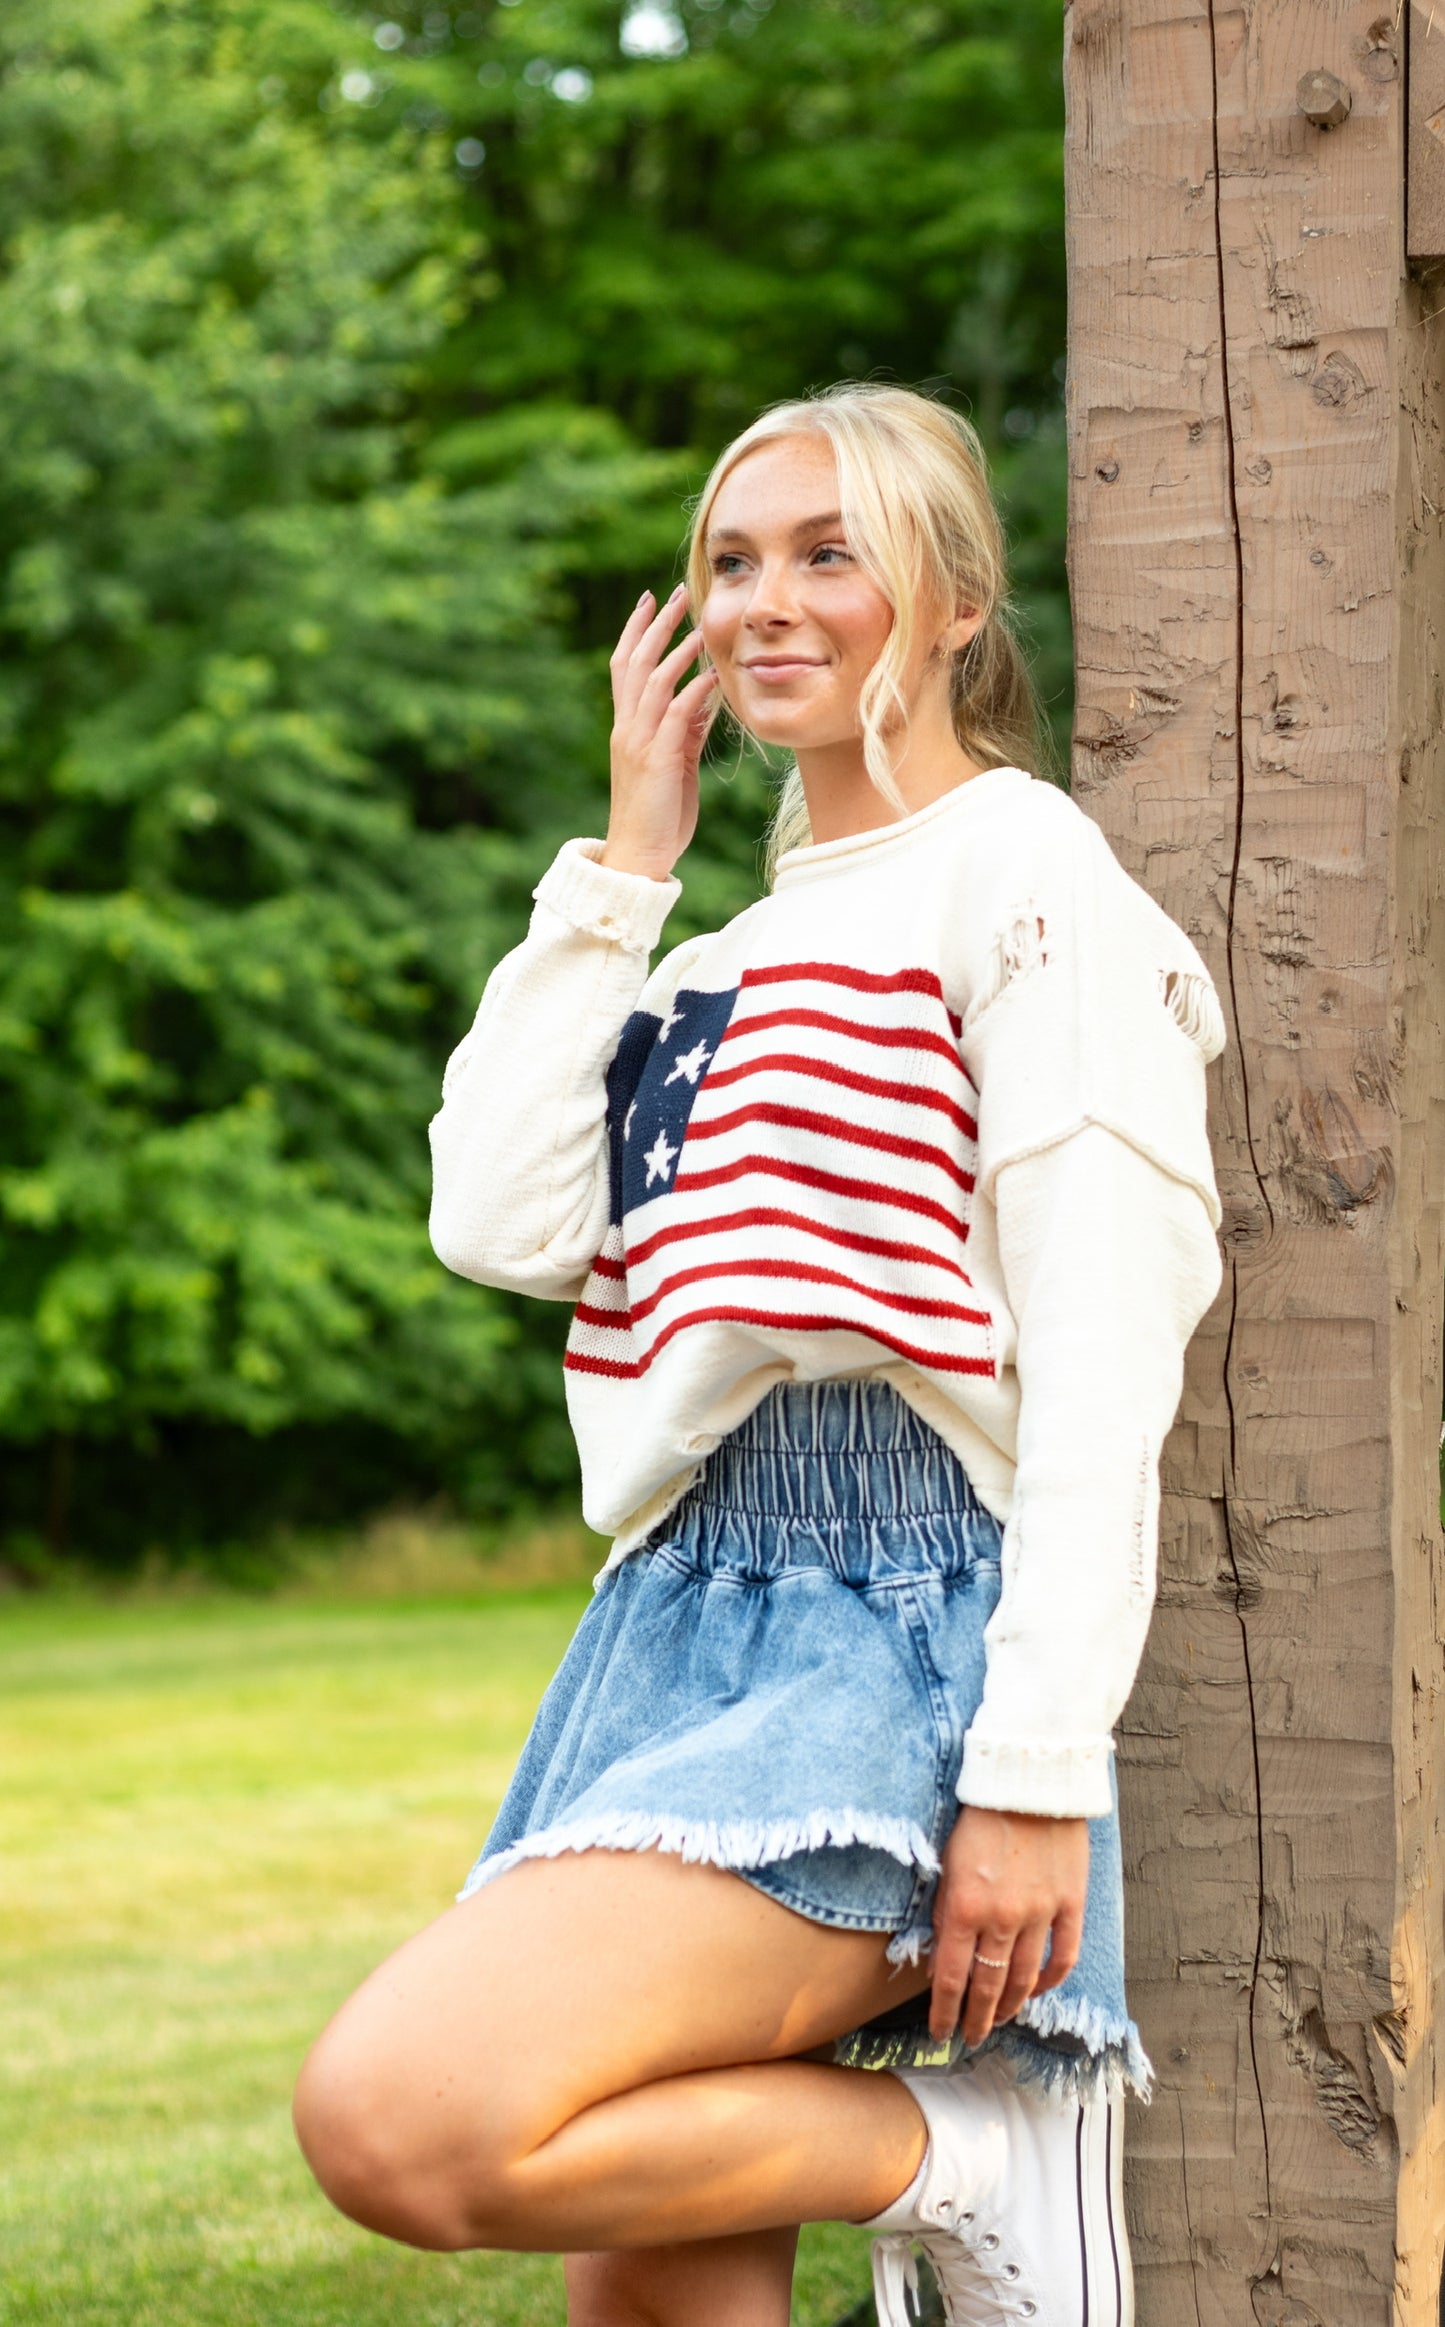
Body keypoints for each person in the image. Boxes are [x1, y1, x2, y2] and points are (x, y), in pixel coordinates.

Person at [292, 383, 1225, 2327]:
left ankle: (971, 2153)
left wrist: (1037, 1773)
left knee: (405, 2118)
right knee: (649, 2301)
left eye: (832, 552)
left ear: (958, 600)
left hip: (900, 1630)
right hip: (678, 1617)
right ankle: (951, 2165)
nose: (765, 601)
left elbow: (1103, 1354)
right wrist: (629, 867)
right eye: (732, 560)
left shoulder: (1023, 874)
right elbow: (499, 1222)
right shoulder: (714, 956)